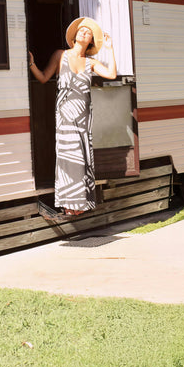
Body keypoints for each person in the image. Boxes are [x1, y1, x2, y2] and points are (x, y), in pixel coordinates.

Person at [29, 17, 117, 217]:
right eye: (81, 30)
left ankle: (80, 205)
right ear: (75, 36)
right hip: (65, 114)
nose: (83, 33)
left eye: (88, 32)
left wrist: (110, 49)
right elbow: (44, 78)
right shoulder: (61, 55)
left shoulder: (91, 62)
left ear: (91, 41)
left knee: (82, 157)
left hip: (84, 116)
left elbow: (111, 74)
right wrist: (32, 63)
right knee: (69, 157)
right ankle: (68, 204)